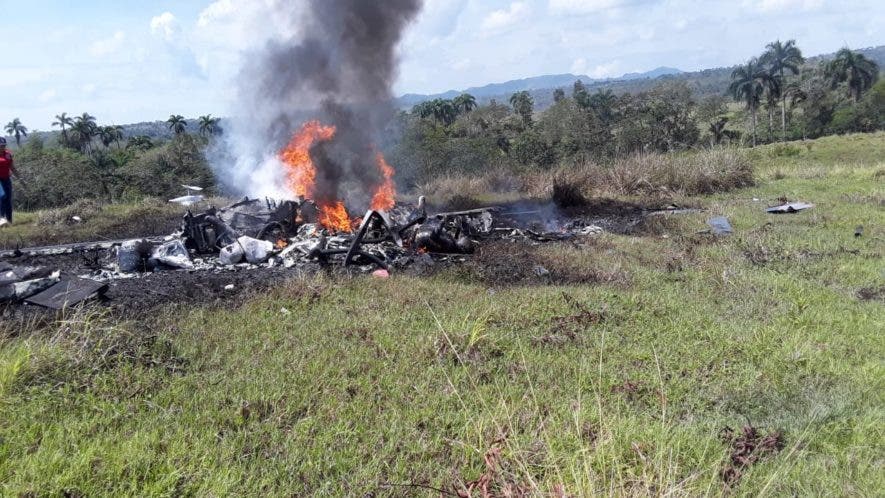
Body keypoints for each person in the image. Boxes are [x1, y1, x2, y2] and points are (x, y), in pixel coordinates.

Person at [0, 137, 19, 226]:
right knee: (2, 199)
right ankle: (2, 221)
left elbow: (12, 167)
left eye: (3, 145)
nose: (2, 147)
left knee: (8, 200)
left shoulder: (8, 154)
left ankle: (9, 221)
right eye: (1, 146)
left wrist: (19, 177)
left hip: (6, 180)